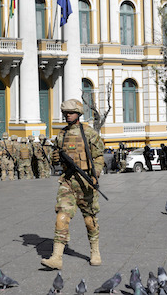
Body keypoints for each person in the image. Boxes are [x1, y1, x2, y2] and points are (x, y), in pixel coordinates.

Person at [41, 99, 105, 270]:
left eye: (71, 112)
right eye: (65, 113)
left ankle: (95, 251)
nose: (67, 115)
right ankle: (57, 257)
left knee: (90, 220)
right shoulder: (61, 135)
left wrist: (95, 174)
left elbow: (99, 157)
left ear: (78, 113)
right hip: (68, 181)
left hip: (86, 181)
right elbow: (56, 157)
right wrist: (55, 158)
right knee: (61, 217)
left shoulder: (89, 133)